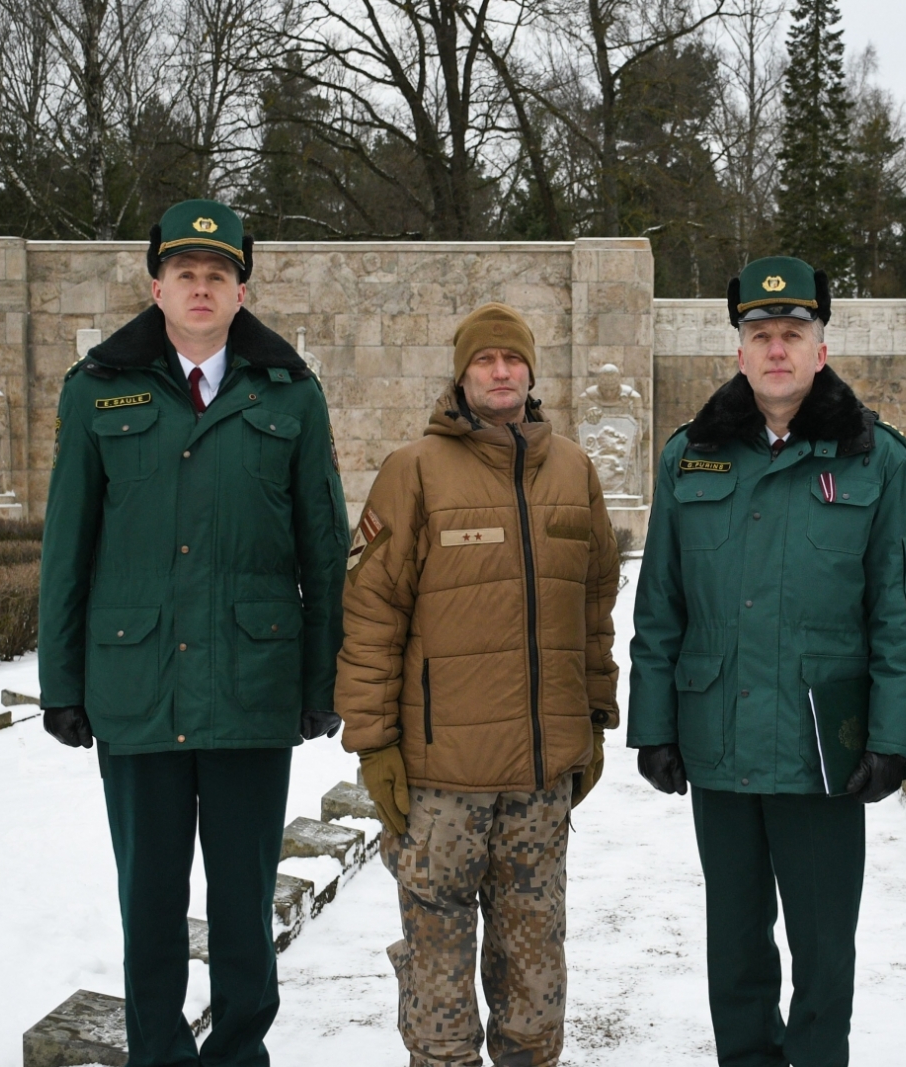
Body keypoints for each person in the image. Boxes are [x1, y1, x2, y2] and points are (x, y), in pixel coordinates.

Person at [38, 199, 350, 1065]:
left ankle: (241, 1051)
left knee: (244, 900)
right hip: (137, 688)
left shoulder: (290, 393)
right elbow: (68, 547)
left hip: (254, 690)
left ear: (242, 290)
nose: (202, 287)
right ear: (157, 285)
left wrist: (322, 681)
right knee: (149, 897)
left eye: (218, 274)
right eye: (186, 273)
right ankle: (160, 1054)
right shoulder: (99, 389)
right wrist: (60, 682)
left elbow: (324, 551)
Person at [628, 256, 906, 1067]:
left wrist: (894, 739)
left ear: (821, 349)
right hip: (720, 740)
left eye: (792, 334)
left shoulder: (877, 458)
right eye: (759, 334)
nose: (775, 349)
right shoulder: (689, 456)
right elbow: (661, 604)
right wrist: (652, 726)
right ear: (737, 351)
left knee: (825, 952)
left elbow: (903, 614)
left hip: (822, 752)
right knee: (735, 950)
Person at [336, 301, 620, 1067]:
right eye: (484, 360)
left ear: (531, 373)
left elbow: (595, 606)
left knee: (534, 977)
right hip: (440, 784)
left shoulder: (574, 471)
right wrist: (372, 743)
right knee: (439, 975)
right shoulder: (414, 472)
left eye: (513, 359)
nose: (501, 371)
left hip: (538, 780)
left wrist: (594, 715)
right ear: (461, 375)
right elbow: (370, 613)